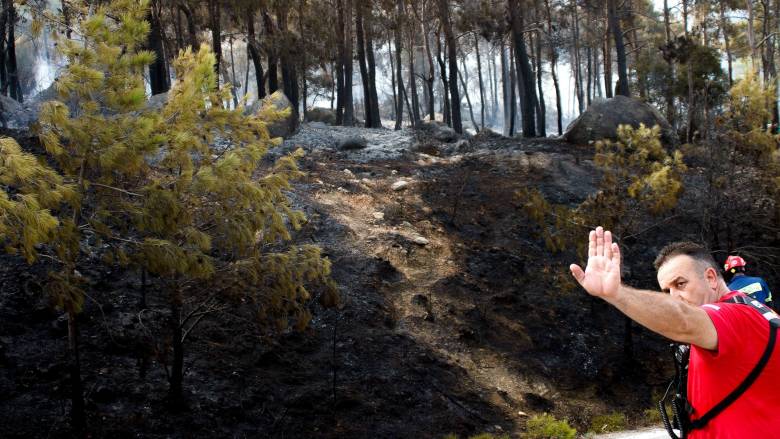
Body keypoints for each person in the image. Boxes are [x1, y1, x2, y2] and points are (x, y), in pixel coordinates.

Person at [569, 227, 780, 438]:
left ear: (711, 278)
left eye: (680, 284)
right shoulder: (755, 311)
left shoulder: (738, 318)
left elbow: (683, 320)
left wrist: (616, 294)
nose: (674, 297)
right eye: (667, 291)